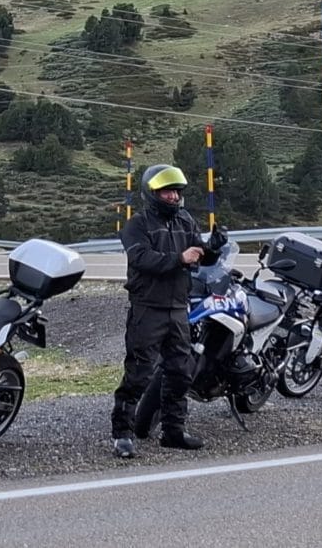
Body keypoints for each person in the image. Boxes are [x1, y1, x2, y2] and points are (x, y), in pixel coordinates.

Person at [112, 163, 208, 457]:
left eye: (176, 191)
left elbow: (199, 253)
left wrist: (213, 247)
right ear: (152, 193)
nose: (173, 196)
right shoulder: (137, 225)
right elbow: (142, 259)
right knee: (138, 374)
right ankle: (122, 435)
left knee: (180, 372)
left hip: (178, 308)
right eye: (167, 192)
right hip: (148, 308)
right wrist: (180, 258)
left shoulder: (185, 220)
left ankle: (173, 431)